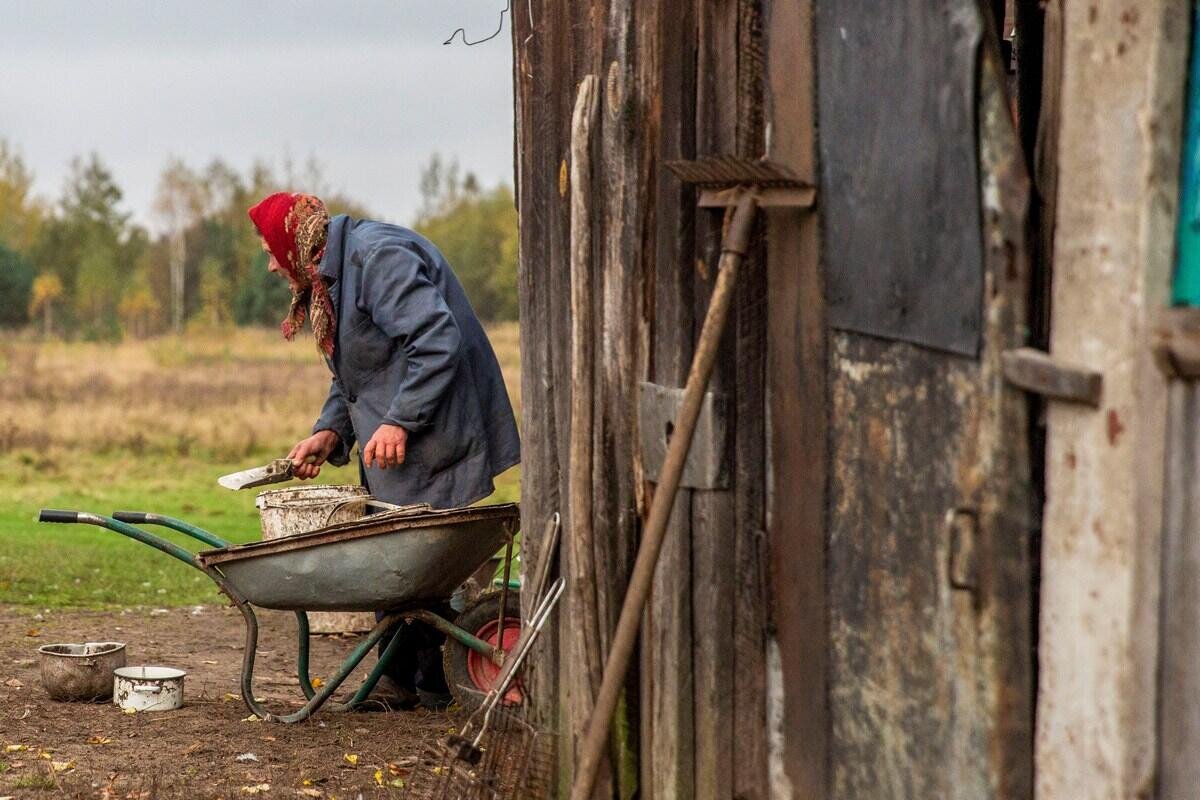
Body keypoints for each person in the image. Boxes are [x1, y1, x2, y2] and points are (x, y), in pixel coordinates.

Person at [247, 192, 520, 710]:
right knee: (405, 562)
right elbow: (359, 374)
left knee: (420, 563)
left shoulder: (375, 259)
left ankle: (431, 683)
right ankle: (405, 683)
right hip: (399, 444)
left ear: (291, 242)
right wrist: (329, 432)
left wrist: (400, 420)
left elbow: (438, 339)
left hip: (437, 432)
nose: (268, 264)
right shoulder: (335, 279)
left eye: (269, 250)